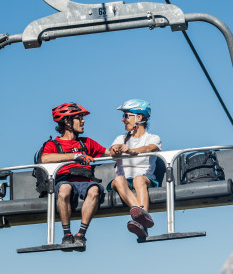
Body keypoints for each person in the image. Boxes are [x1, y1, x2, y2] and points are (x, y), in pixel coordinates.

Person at [39, 102, 108, 251]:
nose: (83, 121)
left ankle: (80, 235)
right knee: (64, 189)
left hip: (86, 181)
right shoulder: (53, 144)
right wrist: (75, 156)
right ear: (67, 121)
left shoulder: (87, 143)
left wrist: (118, 149)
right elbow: (45, 158)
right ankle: (67, 235)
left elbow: (108, 153)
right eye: (79, 118)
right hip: (65, 180)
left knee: (94, 190)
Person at [108, 99, 162, 238]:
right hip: (123, 180)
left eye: (126, 116)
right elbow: (112, 151)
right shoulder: (121, 138)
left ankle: (141, 221)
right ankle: (143, 220)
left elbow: (149, 148)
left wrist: (131, 151)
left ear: (139, 117)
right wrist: (116, 149)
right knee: (119, 179)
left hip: (144, 178)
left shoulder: (153, 138)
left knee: (138, 180)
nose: (123, 120)